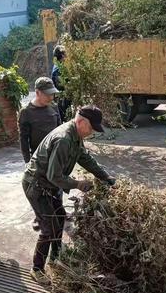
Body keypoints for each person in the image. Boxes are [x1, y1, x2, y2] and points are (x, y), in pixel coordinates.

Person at [23, 105, 115, 283]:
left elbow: (85, 158)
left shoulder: (76, 135)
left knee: (59, 219)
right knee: (49, 228)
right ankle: (37, 269)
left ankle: (56, 259)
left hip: (49, 186)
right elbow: (54, 175)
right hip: (36, 186)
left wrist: (106, 177)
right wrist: (77, 184)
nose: (92, 133)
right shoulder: (64, 139)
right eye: (91, 128)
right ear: (81, 121)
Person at [19, 77, 61, 164]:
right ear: (37, 92)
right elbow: (23, 140)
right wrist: (27, 161)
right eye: (47, 94)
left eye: (52, 94)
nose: (51, 97)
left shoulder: (54, 106)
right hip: (38, 158)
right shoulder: (26, 112)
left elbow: (60, 130)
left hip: (56, 156)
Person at [51, 45, 71, 122]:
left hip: (63, 99)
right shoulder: (58, 69)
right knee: (64, 120)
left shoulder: (59, 67)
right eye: (65, 53)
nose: (66, 55)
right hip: (63, 100)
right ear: (62, 55)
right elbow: (61, 86)